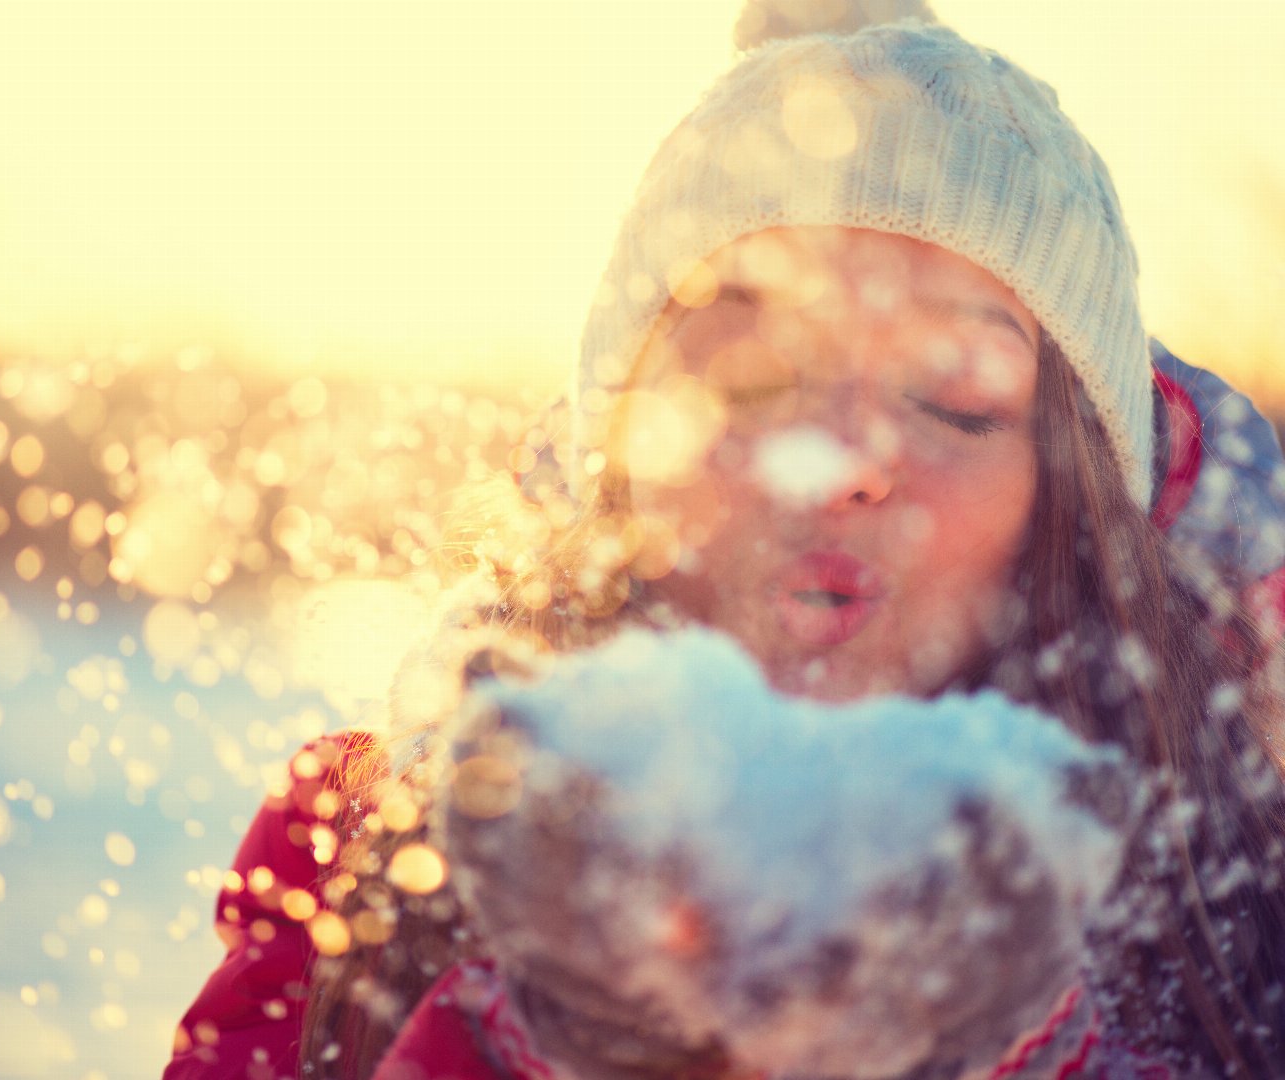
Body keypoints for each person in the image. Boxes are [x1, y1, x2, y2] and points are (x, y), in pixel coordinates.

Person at [164, 2, 1285, 1078]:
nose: (847, 459)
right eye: (754, 379)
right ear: (624, 454)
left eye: (955, 402)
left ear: (1070, 508)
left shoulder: (1235, 891)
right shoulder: (369, 860)